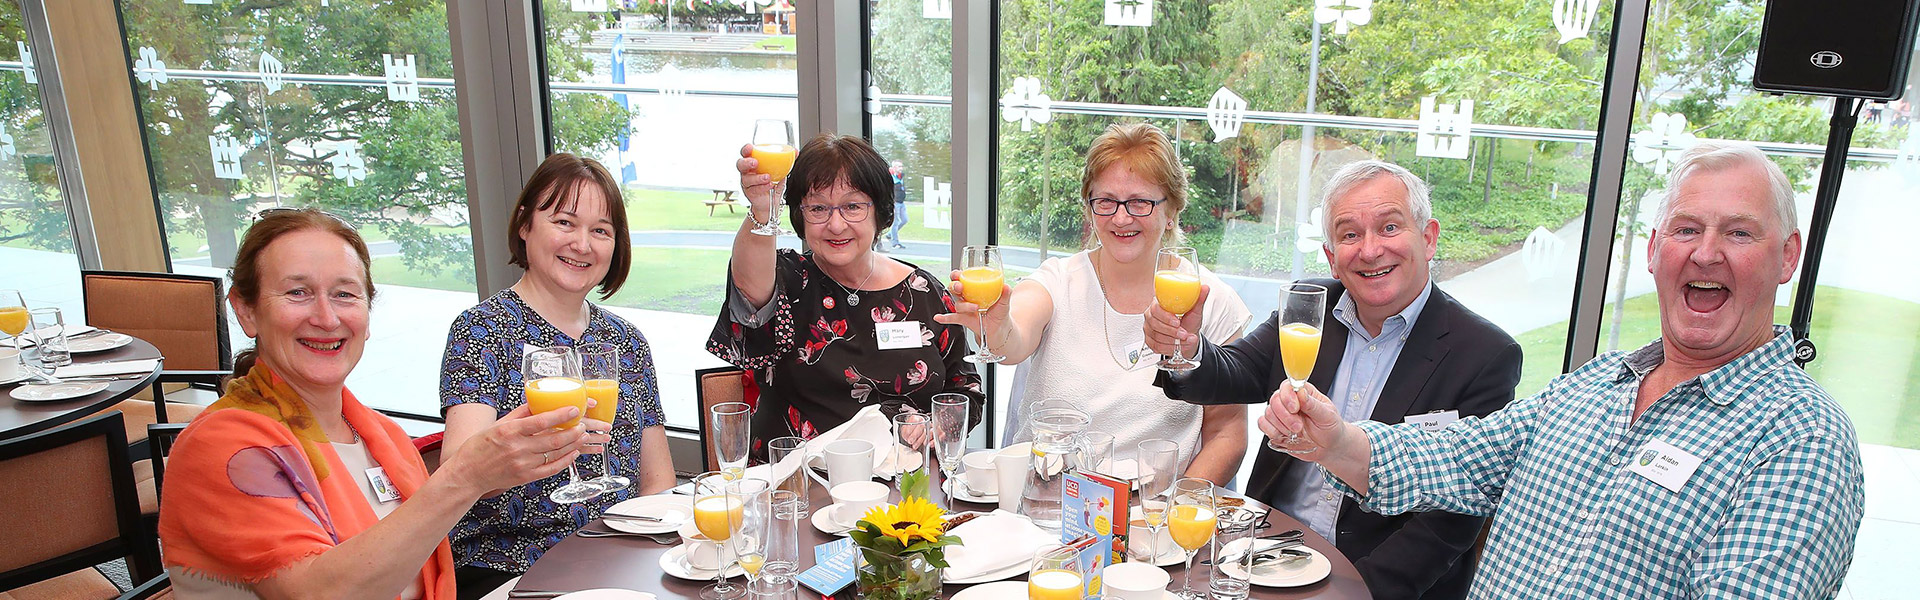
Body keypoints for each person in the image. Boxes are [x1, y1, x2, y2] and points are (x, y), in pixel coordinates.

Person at [1263, 142, 1865, 598]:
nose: (1705, 253)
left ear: (1788, 256)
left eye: (1738, 233)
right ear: (1655, 251)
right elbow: (1457, 457)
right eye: (1686, 230)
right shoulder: (1596, 384)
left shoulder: (1802, 441)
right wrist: (1334, 439)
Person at [158, 209, 590, 599]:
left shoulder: (380, 435)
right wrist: (466, 475)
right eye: (298, 293)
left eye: (345, 295)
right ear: (246, 311)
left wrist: (494, 468)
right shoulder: (221, 447)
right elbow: (324, 593)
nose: (326, 318)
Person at [1143, 160, 1521, 599]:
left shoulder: (1484, 355)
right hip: (1265, 556)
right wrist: (1185, 349)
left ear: (1429, 237)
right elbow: (1233, 372)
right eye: (1349, 234)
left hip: (1368, 581)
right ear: (1331, 257)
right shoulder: (1311, 307)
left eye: (1390, 227)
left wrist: (1352, 593)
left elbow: (1449, 523)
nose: (1371, 249)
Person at [935, 122, 1252, 484]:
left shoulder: (1213, 300)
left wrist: (1174, 513)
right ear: (1089, 208)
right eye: (1106, 202)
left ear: (1172, 210)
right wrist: (997, 329)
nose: (1121, 217)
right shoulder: (1057, 280)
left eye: (1140, 202)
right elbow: (1014, 338)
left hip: (1152, 514)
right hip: (1050, 501)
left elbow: (1228, 435)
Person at [438, 153, 675, 598]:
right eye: (565, 222)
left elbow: (658, 482)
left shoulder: (626, 340)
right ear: (525, 225)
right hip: (509, 566)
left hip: (615, 561)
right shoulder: (483, 330)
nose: (582, 244)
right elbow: (458, 473)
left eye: (600, 230)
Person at [712, 133, 983, 444]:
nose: (836, 225)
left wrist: (939, 425)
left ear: (880, 212)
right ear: (800, 215)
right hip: (800, 482)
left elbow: (964, 390)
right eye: (818, 209)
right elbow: (749, 288)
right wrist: (763, 208)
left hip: (903, 482)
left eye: (852, 206)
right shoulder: (786, 280)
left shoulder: (924, 292)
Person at [886, 160, 908, 250]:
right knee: (895, 223)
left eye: (901, 166)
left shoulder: (901, 177)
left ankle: (890, 234)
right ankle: (895, 242)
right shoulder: (891, 177)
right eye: (899, 166)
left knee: (905, 220)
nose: (901, 168)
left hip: (901, 202)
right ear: (894, 167)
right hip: (895, 203)